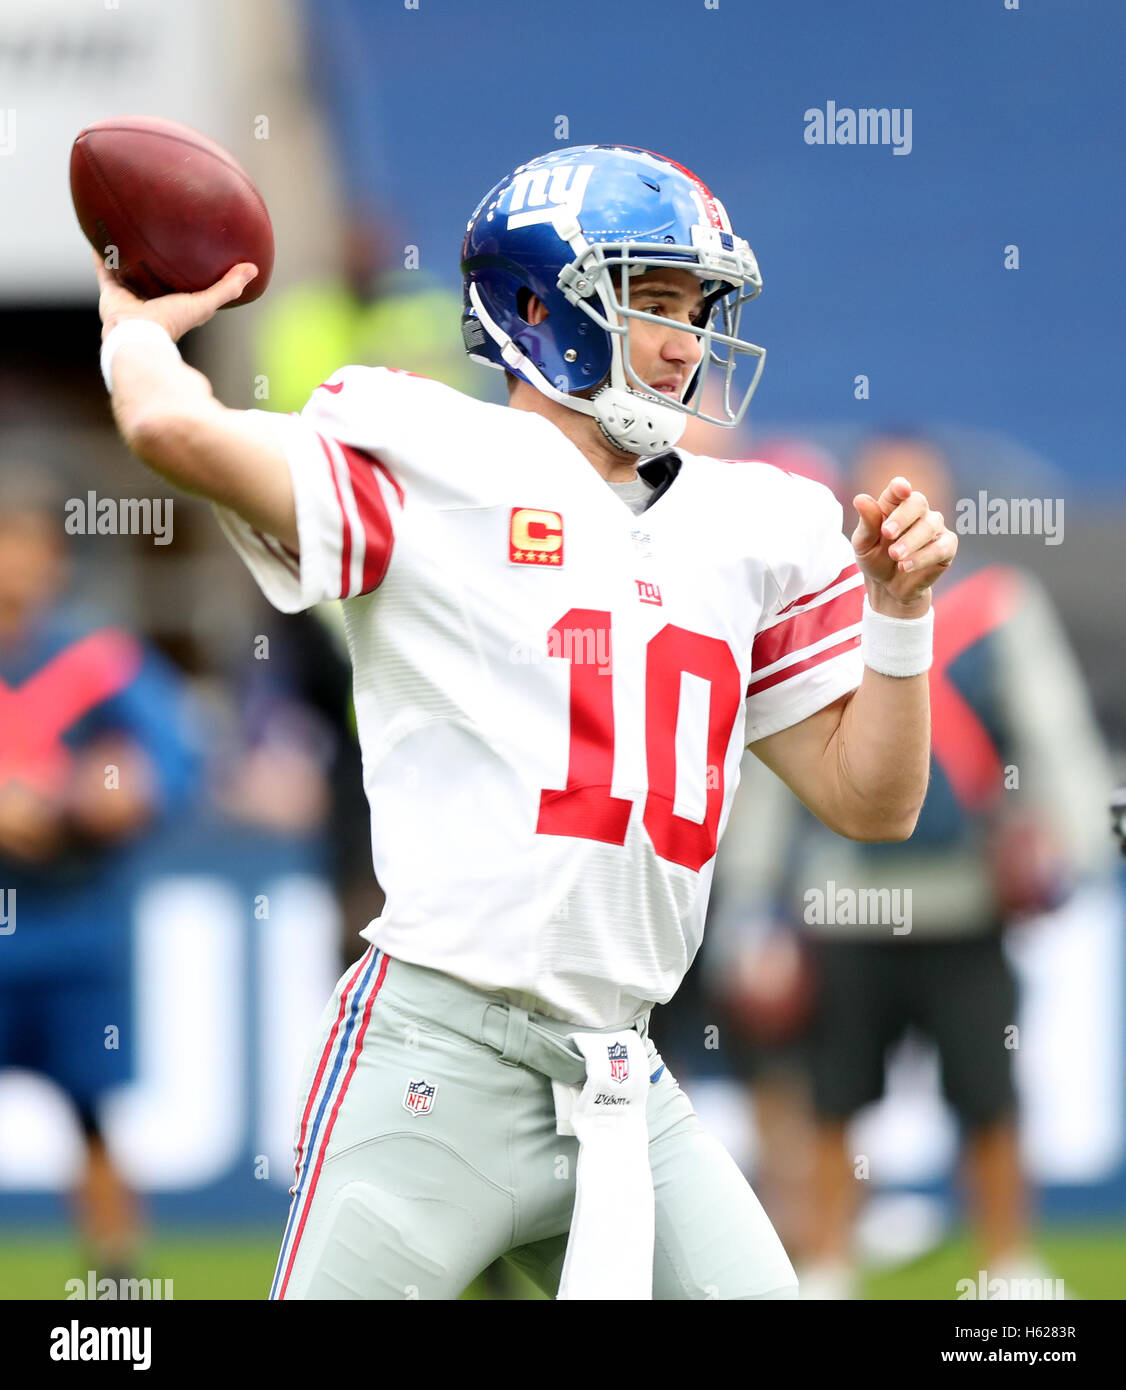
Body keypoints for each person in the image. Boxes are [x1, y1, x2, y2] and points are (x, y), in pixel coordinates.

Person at [91, 143, 957, 1300]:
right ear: (538, 309)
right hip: (437, 1056)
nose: (685, 339)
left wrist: (900, 620)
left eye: (695, 306)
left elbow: (873, 800)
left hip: (619, 1072)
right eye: (650, 301)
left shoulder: (758, 522)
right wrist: (138, 328)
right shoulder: (436, 455)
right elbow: (172, 434)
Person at [0, 467, 197, 1278]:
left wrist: (106, 794)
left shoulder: (97, 657)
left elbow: (174, 764)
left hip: (77, 922)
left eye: (26, 543)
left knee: (92, 1112)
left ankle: (116, 1284)